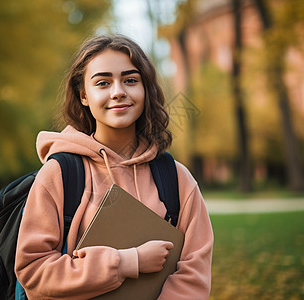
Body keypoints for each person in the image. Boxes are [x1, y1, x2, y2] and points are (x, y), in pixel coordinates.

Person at [15, 34, 213, 299]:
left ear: (146, 90)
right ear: (84, 95)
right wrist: (127, 262)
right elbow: (33, 271)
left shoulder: (176, 178)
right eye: (103, 83)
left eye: (130, 80)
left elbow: (194, 272)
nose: (118, 91)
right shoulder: (60, 174)